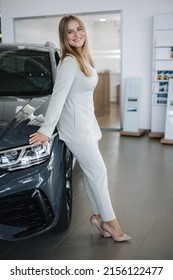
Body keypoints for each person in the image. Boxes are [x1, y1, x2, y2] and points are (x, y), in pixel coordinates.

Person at [29, 14, 132, 242]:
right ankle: (112, 225)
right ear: (64, 37)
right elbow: (58, 97)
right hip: (76, 129)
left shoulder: (83, 59)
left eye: (79, 29)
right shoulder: (69, 62)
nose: (77, 34)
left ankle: (98, 217)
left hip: (86, 125)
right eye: (70, 32)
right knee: (99, 172)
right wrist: (46, 130)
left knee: (91, 173)